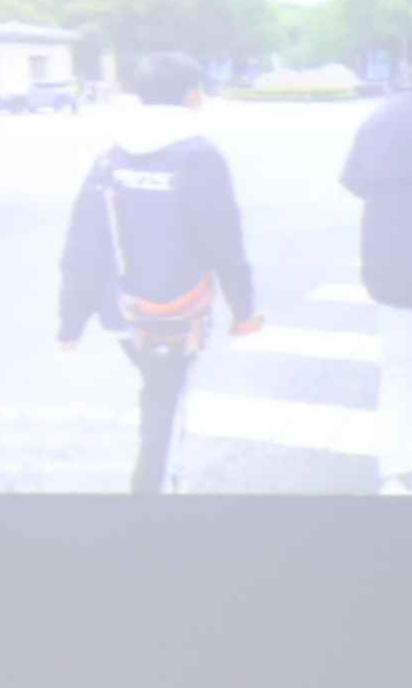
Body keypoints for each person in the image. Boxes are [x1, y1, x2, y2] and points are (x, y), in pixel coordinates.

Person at [56, 52, 264, 495]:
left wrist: (71, 321)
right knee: (164, 407)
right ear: (192, 96)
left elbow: (83, 241)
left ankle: (155, 486)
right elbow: (223, 241)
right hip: (175, 312)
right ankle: (152, 492)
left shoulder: (110, 156)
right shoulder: (198, 155)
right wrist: (243, 310)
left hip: (121, 311)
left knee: (156, 394)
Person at [342, 33, 412, 496]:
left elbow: (355, 181)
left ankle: (401, 471)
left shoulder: (385, 116)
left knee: (402, 373)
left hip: (394, 269)